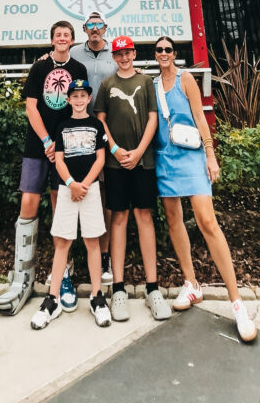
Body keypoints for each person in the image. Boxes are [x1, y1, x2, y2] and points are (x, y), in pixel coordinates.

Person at [152, 36, 256, 343]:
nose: (164, 54)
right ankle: (191, 282)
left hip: (191, 156)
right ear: (154, 55)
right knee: (173, 220)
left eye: (168, 49)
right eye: (159, 50)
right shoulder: (153, 84)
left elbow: (200, 118)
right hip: (165, 159)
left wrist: (211, 156)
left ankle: (236, 302)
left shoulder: (186, 79)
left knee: (207, 222)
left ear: (175, 53)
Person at [0, 20, 88, 316]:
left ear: (72, 40)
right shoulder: (39, 69)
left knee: (60, 205)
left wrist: (60, 142)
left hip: (67, 146)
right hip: (38, 145)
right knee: (29, 201)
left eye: (66, 35)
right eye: (57, 35)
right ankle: (22, 273)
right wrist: (47, 139)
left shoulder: (78, 70)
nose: (62, 38)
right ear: (52, 40)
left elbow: (80, 105)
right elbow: (31, 107)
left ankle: (64, 275)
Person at [95, 35, 172, 323]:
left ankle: (153, 288)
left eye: (128, 53)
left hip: (143, 162)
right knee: (118, 218)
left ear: (134, 53)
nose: (124, 57)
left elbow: (153, 118)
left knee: (144, 216)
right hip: (116, 165)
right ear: (113, 57)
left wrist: (139, 151)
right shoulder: (107, 85)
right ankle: (118, 289)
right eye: (119, 54)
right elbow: (100, 120)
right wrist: (114, 149)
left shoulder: (146, 82)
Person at [31, 79, 112, 330]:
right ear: (68, 100)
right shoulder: (63, 126)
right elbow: (59, 159)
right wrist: (71, 183)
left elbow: (100, 158)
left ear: (89, 99)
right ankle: (52, 299)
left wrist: (84, 184)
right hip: (68, 190)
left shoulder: (97, 125)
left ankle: (97, 298)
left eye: (83, 96)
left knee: (92, 241)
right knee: (63, 242)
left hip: (90, 189)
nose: (78, 100)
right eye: (74, 96)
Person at [69, 10, 117, 284]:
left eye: (99, 24)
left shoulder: (117, 52)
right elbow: (57, 62)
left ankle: (105, 254)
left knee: (104, 193)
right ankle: (77, 255)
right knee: (78, 188)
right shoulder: (75, 52)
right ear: (85, 28)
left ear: (105, 28)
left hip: (109, 127)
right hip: (80, 126)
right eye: (91, 25)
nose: (96, 28)